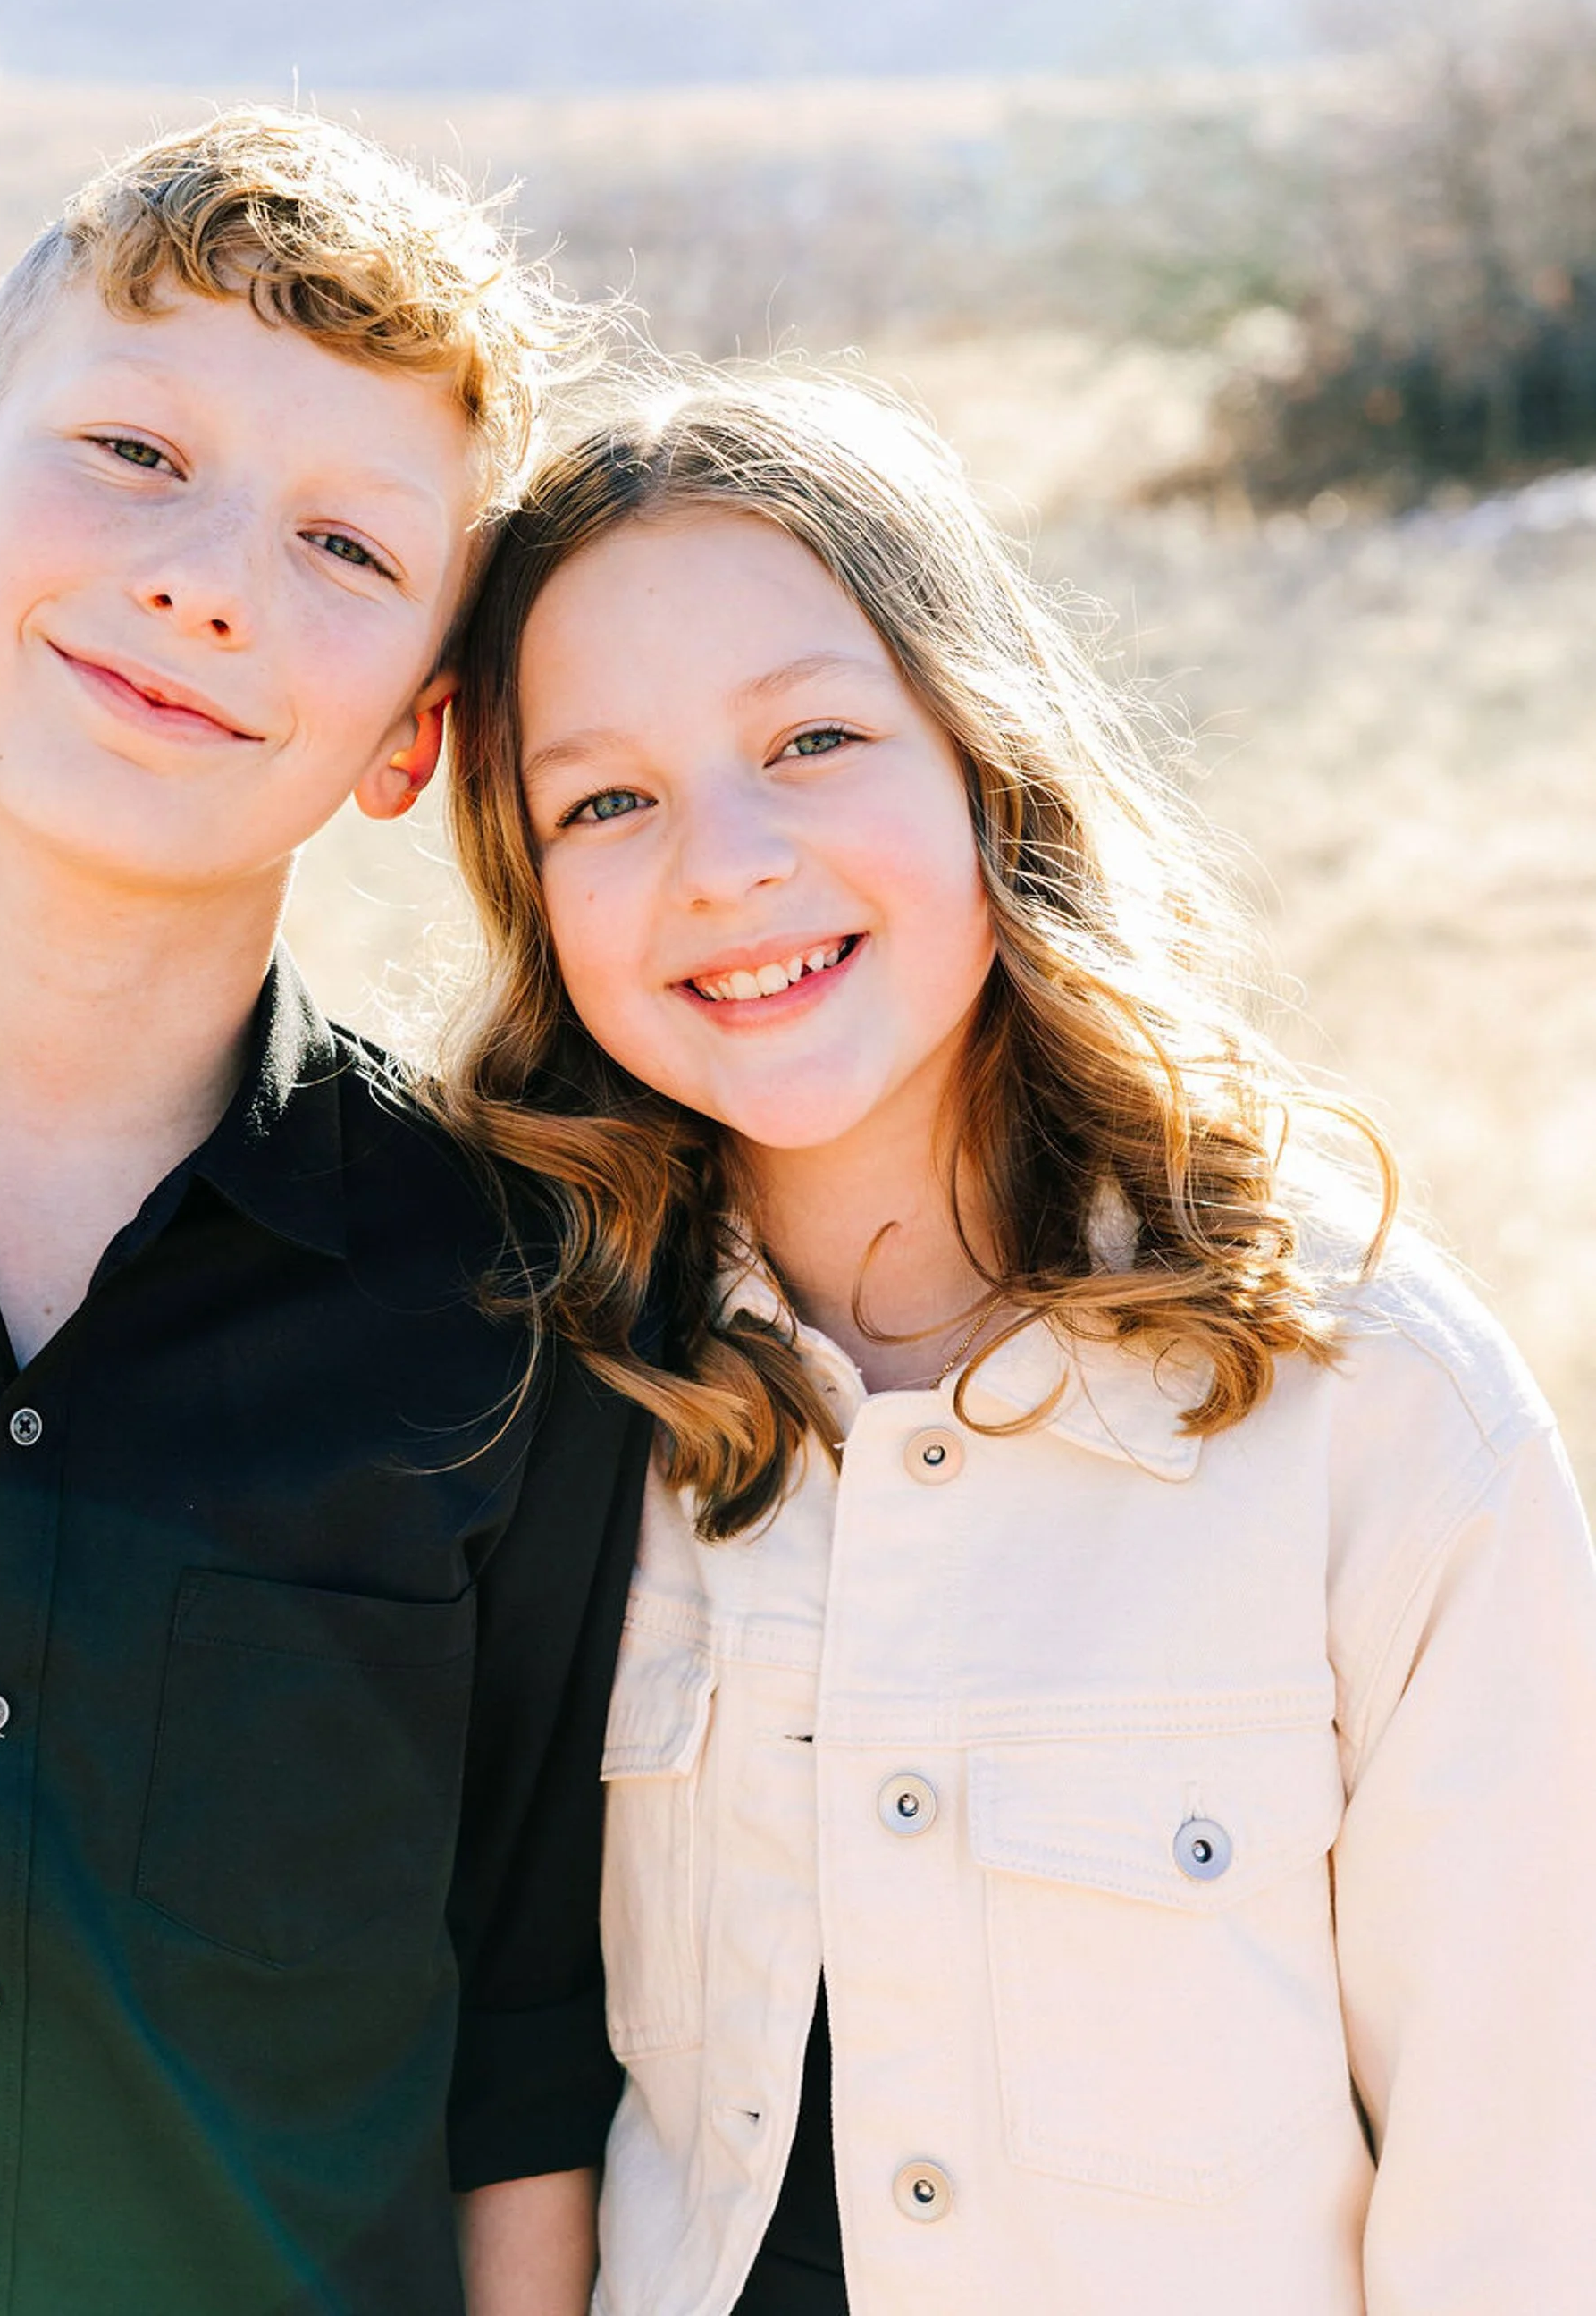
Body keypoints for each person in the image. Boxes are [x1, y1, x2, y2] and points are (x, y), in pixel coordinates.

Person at [435, 366, 1596, 2316]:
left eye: (811, 738)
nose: (722, 861)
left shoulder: (1374, 1405)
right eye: (605, 798)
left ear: (986, 756)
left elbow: (1521, 2202)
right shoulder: (541, 1391)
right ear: (532, 889)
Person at [0, 109, 646, 2316]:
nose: (209, 581)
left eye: (341, 544)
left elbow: (523, 2068)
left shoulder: (513, 1317)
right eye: (133, 450)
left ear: (411, 734)